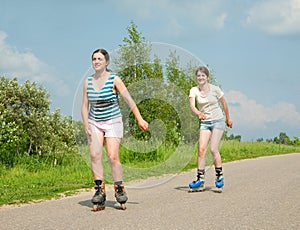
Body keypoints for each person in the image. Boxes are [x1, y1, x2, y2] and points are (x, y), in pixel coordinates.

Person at [81, 48, 149, 210]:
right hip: (95, 122)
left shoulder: (114, 79)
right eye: (94, 59)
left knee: (112, 156)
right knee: (95, 154)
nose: (96, 61)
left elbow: (129, 100)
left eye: (100, 59)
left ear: (107, 62)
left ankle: (119, 187)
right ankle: (99, 190)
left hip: (113, 121)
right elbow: (84, 106)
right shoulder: (88, 82)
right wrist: (86, 124)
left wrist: (140, 118)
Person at [188, 66, 232, 192]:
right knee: (201, 150)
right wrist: (198, 113)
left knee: (213, 149)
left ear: (207, 77)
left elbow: (224, 103)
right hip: (205, 122)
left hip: (218, 121)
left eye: (203, 76)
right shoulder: (194, 90)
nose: (200, 78)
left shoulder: (215, 89)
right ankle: (200, 179)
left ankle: (219, 177)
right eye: (198, 76)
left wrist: (228, 118)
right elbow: (192, 105)